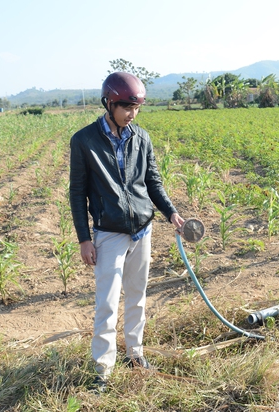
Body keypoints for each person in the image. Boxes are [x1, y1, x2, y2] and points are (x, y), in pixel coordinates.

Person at [69, 72, 184, 392]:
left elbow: (153, 183)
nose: (132, 114)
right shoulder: (84, 140)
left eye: (137, 108)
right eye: (126, 107)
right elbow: (77, 192)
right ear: (109, 102)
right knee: (106, 303)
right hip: (109, 233)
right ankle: (103, 368)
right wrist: (83, 239)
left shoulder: (141, 138)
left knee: (137, 297)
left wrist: (171, 213)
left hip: (142, 231)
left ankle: (136, 354)